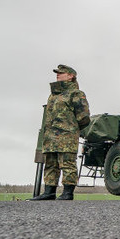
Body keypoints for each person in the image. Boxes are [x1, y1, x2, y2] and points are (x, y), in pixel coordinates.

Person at [29, 64, 90, 201]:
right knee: (50, 164)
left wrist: (71, 128)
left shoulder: (76, 94)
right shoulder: (52, 96)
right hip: (50, 136)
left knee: (67, 163)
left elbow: (84, 117)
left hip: (66, 136)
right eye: (57, 73)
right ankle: (49, 192)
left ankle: (67, 193)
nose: (58, 74)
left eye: (61, 73)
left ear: (70, 76)